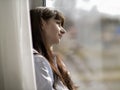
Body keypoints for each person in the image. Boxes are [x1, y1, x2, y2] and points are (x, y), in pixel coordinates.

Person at [30, 7, 77, 90]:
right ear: (42, 23)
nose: (63, 31)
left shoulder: (54, 61)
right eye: (58, 23)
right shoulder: (37, 61)